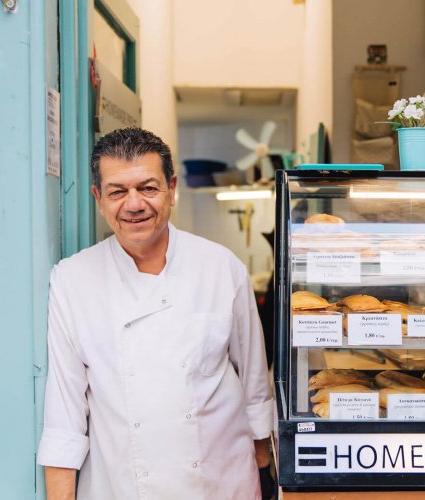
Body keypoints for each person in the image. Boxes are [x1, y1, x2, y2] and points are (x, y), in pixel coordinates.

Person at [37, 128, 275, 499]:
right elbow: (64, 415)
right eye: (118, 191)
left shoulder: (220, 267)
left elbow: (256, 387)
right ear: (99, 198)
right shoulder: (73, 280)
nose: (134, 204)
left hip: (220, 482)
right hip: (124, 486)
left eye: (148, 188)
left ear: (172, 189)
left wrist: (265, 476)